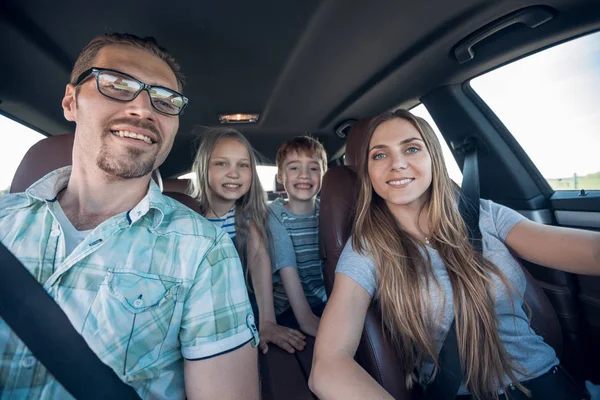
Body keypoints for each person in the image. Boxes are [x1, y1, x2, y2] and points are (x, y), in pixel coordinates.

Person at [0, 33, 259, 400]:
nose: (144, 108)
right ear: (71, 101)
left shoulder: (204, 249)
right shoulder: (4, 221)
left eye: (166, 100)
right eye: (118, 85)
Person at [309, 109, 599, 399]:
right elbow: (329, 363)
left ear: (433, 158)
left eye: (411, 148)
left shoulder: (484, 215)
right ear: (368, 172)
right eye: (379, 155)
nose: (397, 164)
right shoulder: (366, 249)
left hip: (546, 379)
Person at [189, 128, 306, 354]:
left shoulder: (248, 218)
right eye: (222, 164)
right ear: (202, 168)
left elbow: (259, 258)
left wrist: (267, 321)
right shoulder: (190, 218)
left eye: (243, 165)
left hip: (244, 310)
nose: (234, 173)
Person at [269, 136, 328, 337]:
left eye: (313, 168)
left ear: (323, 174)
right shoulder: (275, 215)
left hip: (324, 301)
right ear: (280, 176)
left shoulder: (329, 213)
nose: (304, 175)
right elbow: (287, 267)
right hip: (287, 307)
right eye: (294, 168)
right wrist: (306, 319)